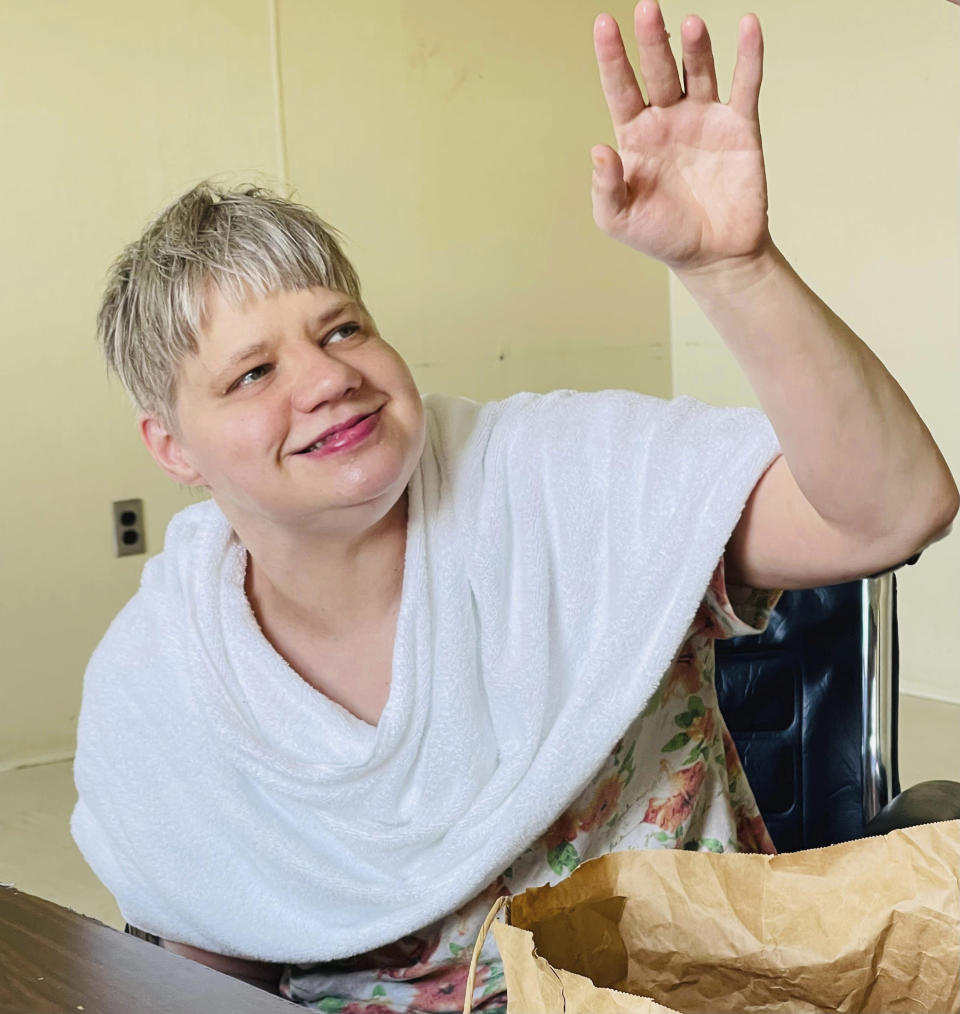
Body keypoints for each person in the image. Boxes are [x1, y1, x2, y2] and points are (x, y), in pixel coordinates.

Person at [72, 2, 957, 1011]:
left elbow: (895, 511)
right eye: (254, 372)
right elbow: (205, 952)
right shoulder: (164, 675)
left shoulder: (560, 476)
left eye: (344, 328)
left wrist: (732, 269)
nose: (326, 379)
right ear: (171, 448)